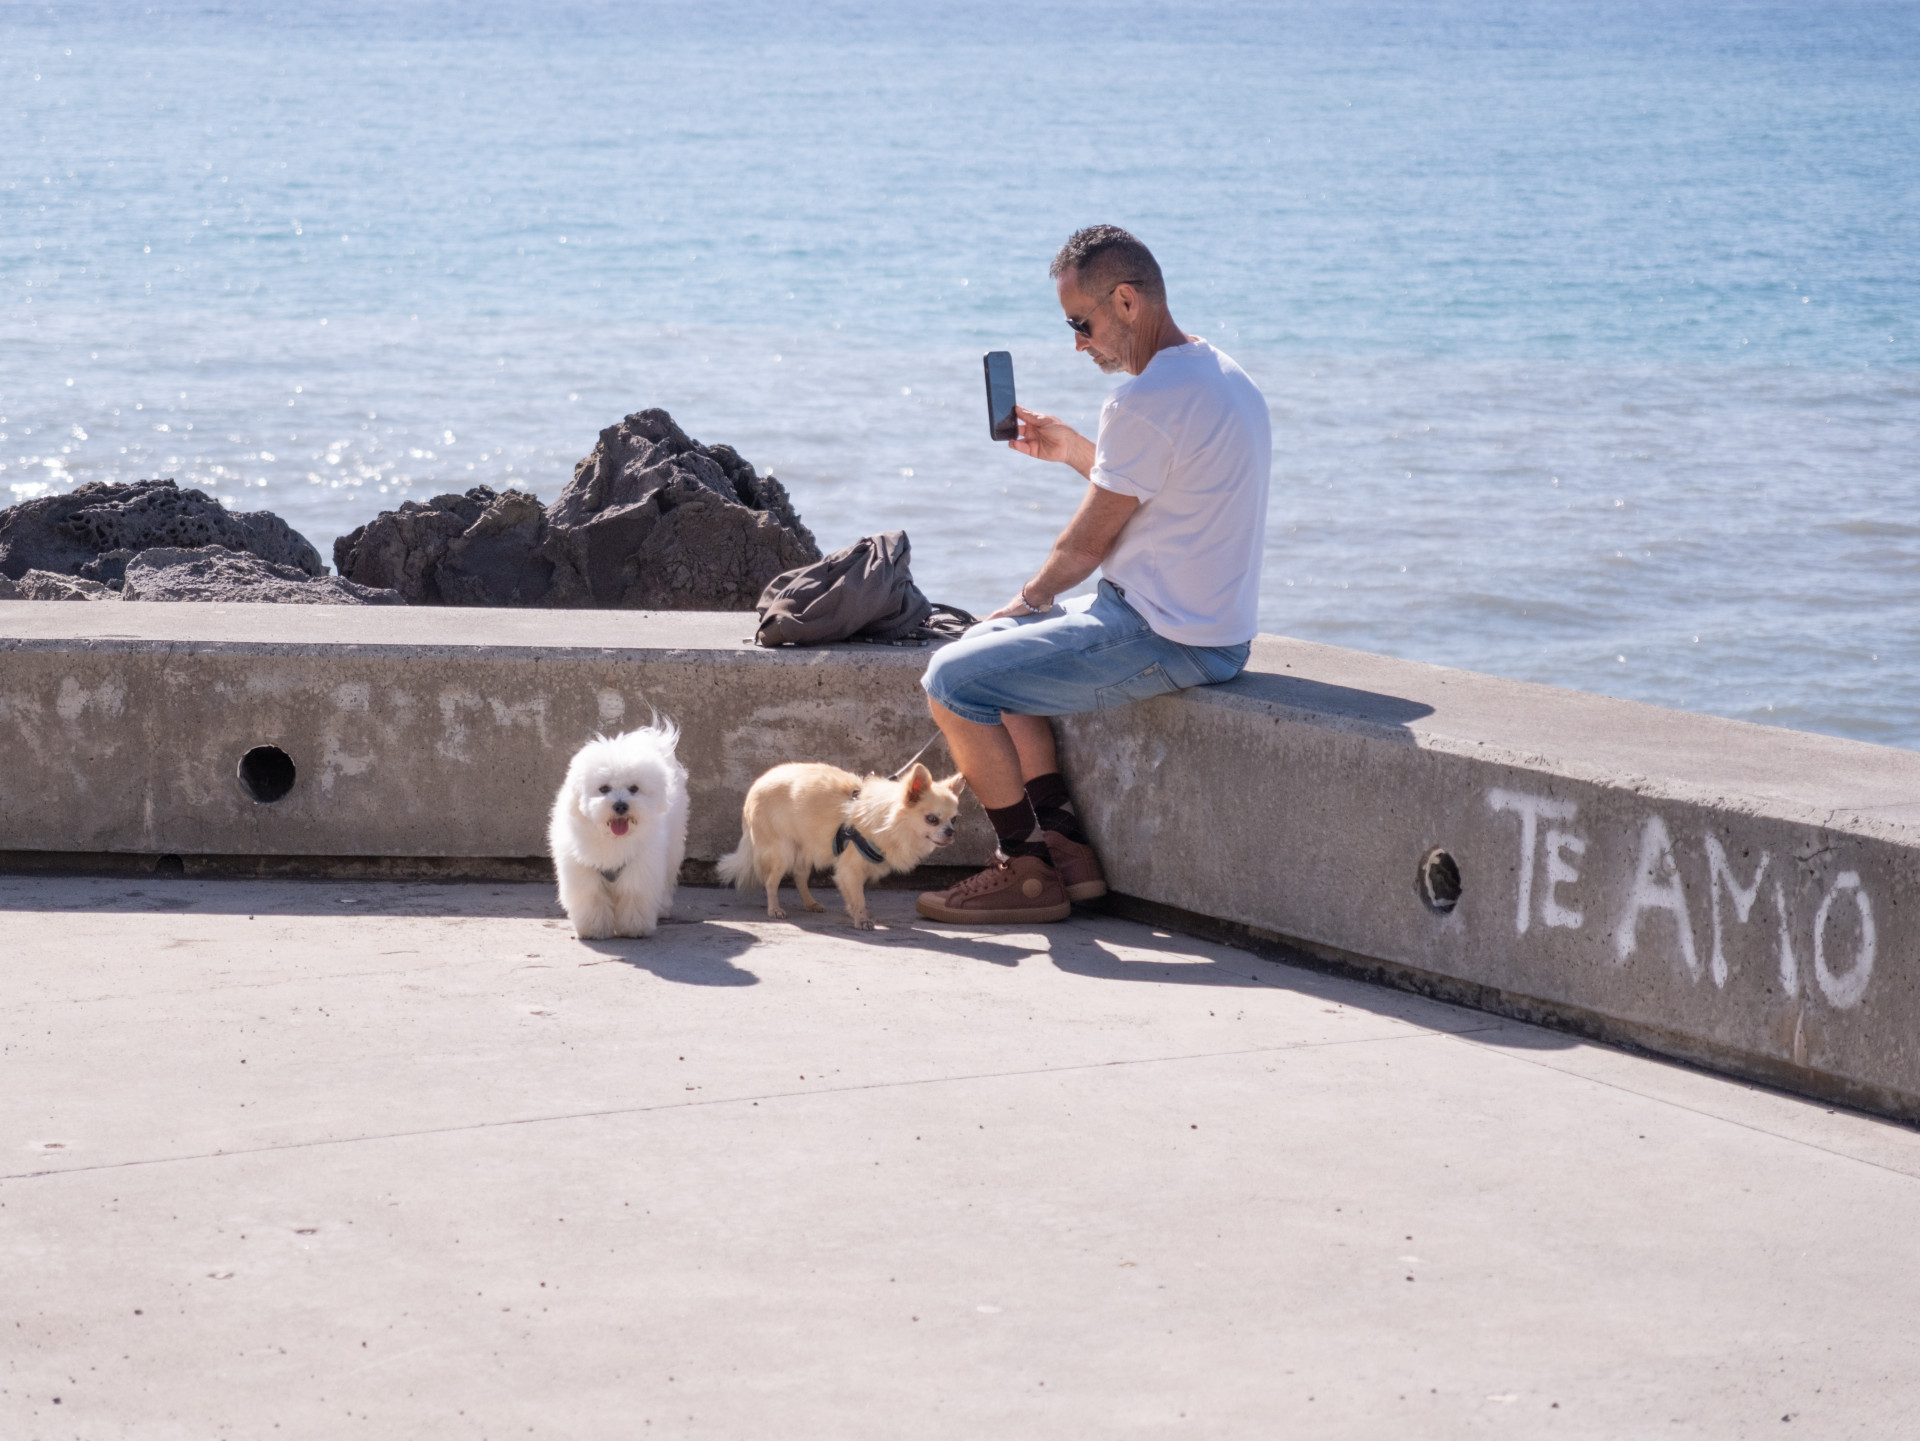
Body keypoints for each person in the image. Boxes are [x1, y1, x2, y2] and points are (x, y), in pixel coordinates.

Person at [916, 224, 1272, 924]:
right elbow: (1162, 499)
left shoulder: (1144, 401)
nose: (1078, 342)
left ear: (1128, 302)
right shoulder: (1225, 376)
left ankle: (1025, 870)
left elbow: (1082, 548)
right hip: (1209, 626)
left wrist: (1023, 602)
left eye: (1082, 322)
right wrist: (1080, 452)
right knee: (1001, 663)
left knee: (952, 679)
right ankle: (1068, 853)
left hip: (1163, 635)